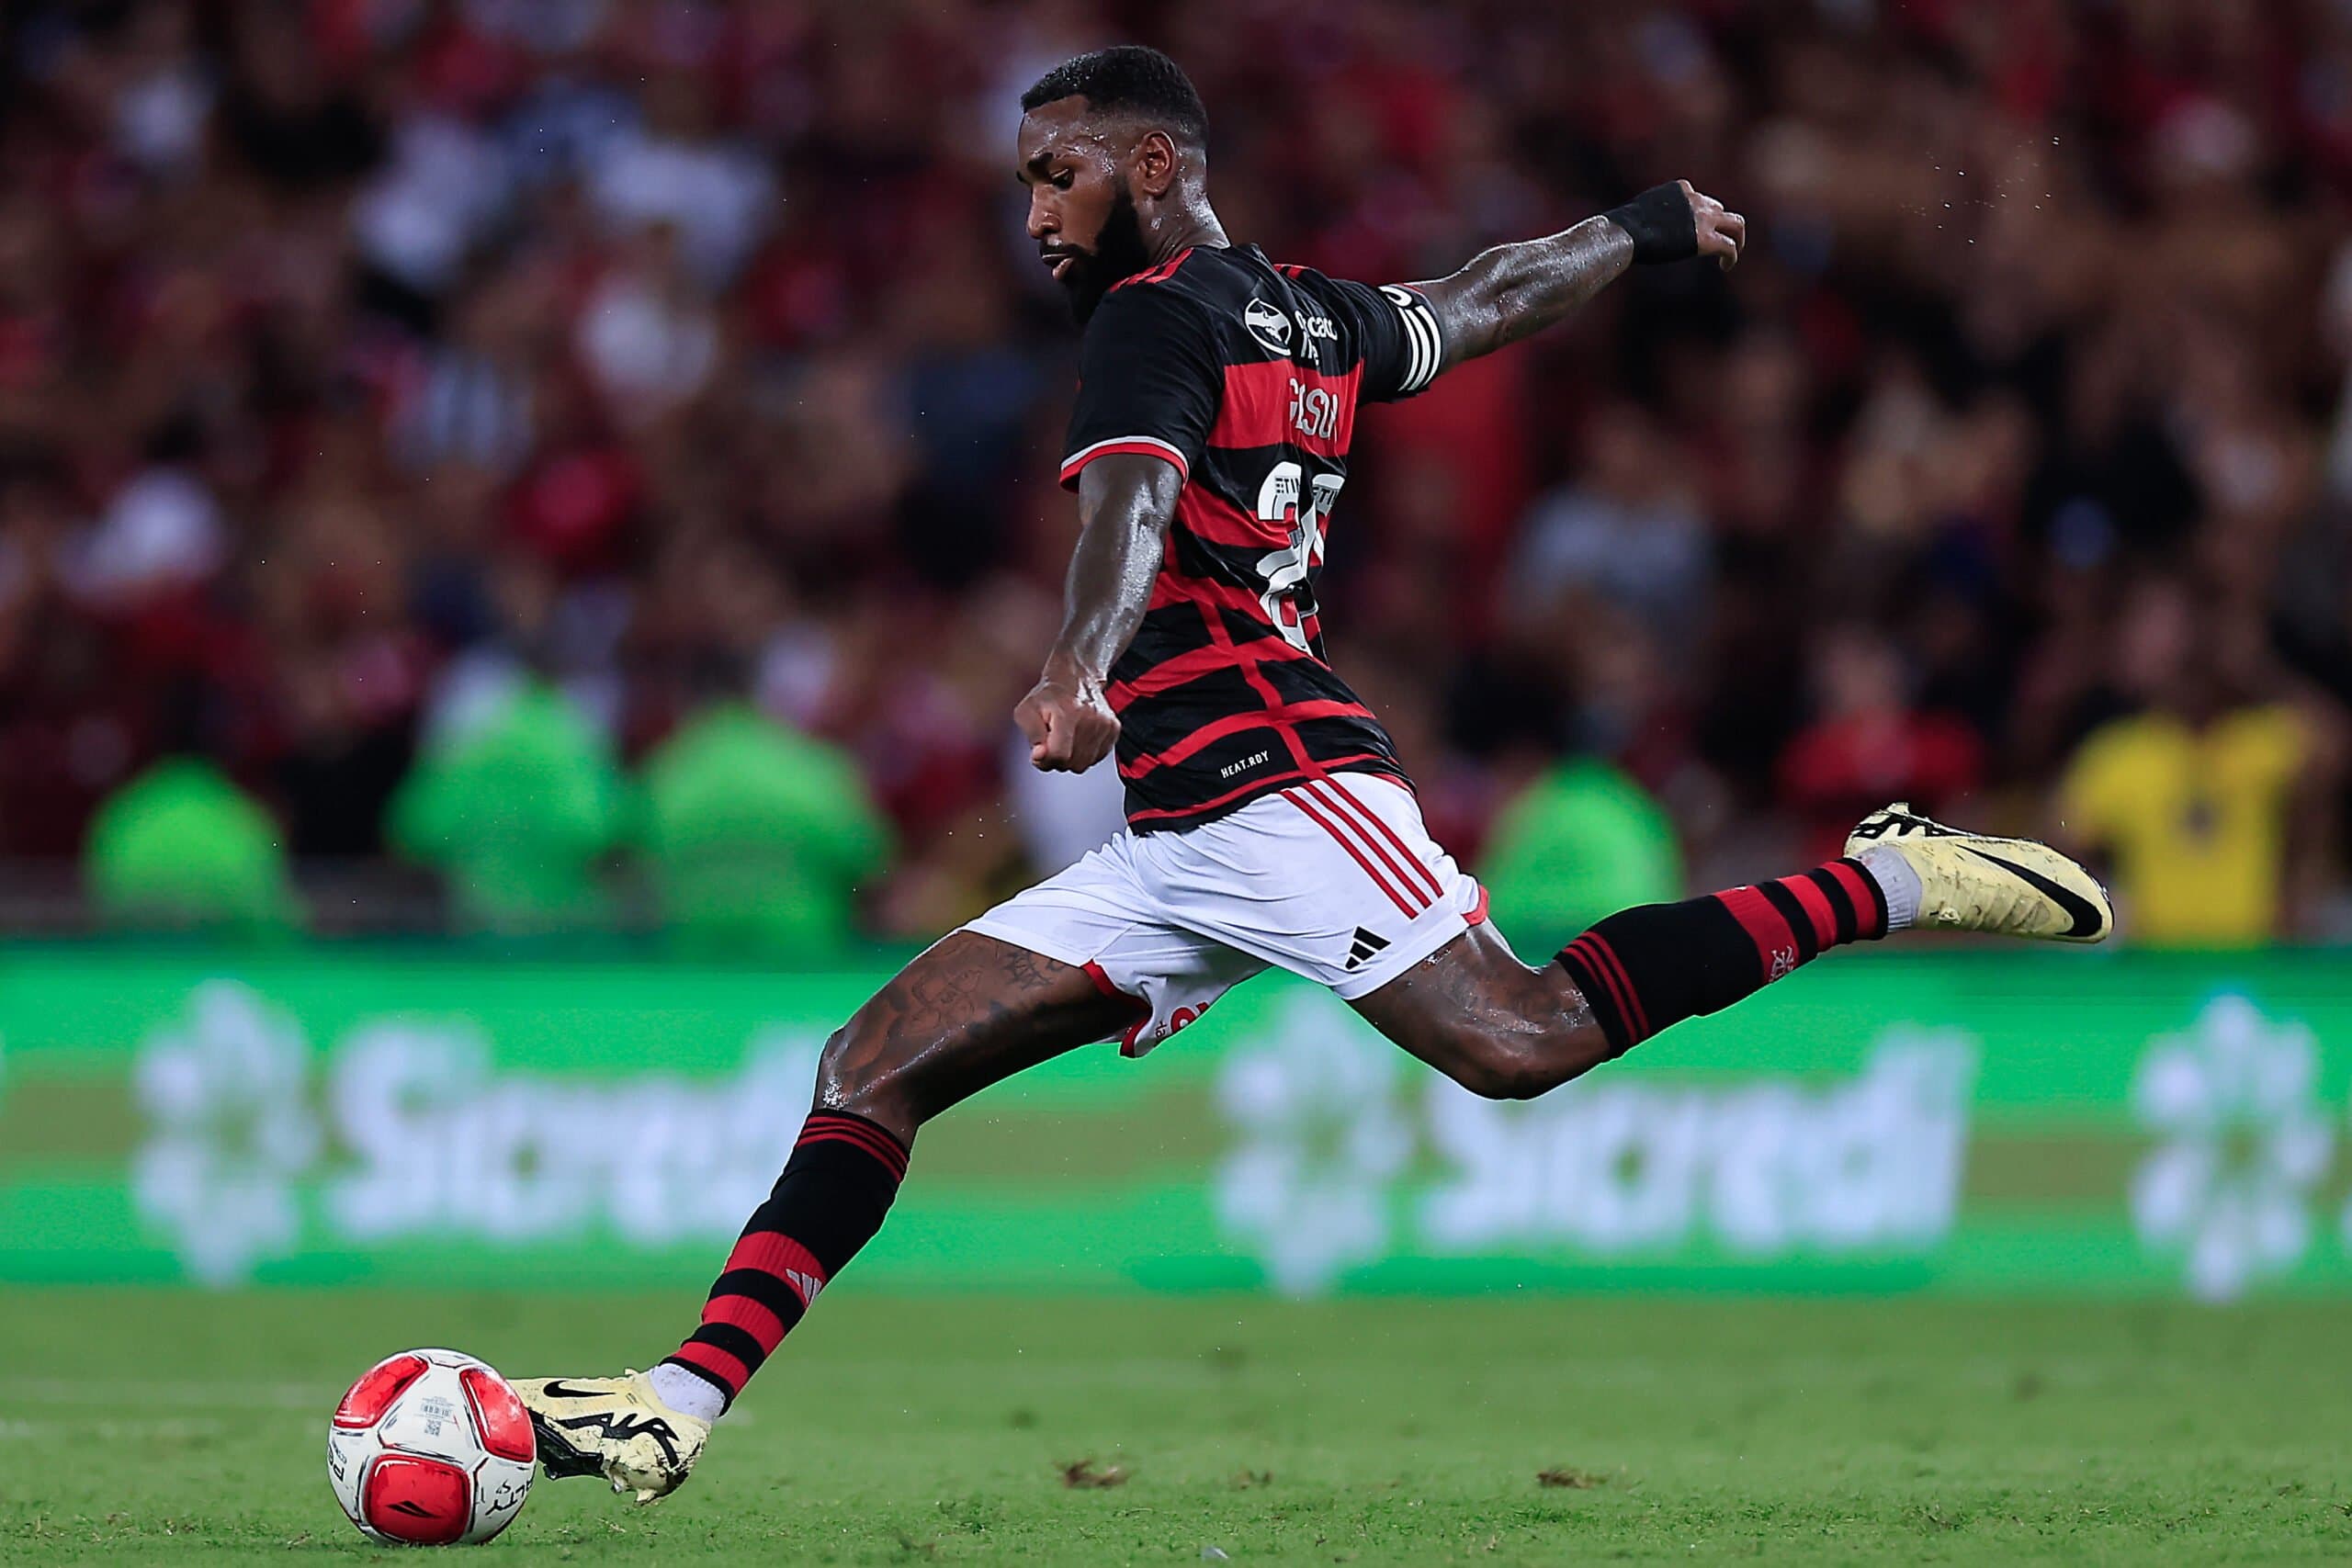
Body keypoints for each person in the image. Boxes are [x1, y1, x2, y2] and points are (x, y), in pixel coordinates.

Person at [514, 47, 2113, 1502]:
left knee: (1520, 1038)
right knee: (873, 1062)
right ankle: (675, 1405)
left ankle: (1892, 877)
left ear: (1153, 166)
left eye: (1058, 175)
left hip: (1286, 784)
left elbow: (1131, 507)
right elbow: (1486, 297)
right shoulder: (1317, 315)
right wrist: (1636, 229)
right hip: (1174, 836)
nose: (1036, 215)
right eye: (1025, 183)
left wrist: (1079, 666)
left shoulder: (1151, 320)